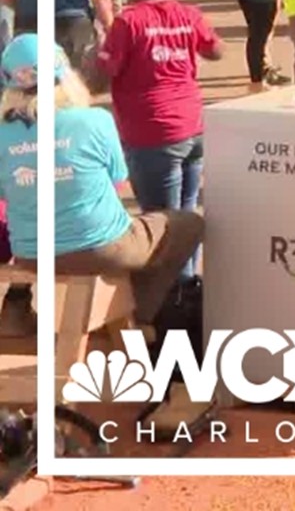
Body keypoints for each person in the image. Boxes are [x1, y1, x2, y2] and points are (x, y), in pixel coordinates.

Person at [0, 36, 204, 326]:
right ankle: (144, 312)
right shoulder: (94, 120)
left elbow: (5, 194)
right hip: (100, 249)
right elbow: (118, 181)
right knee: (188, 225)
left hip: (30, 254)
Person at [98, 0, 223, 233]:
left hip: (153, 134)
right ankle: (188, 278)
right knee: (187, 216)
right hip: (193, 129)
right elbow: (216, 50)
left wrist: (98, 48)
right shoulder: (188, 14)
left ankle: (176, 282)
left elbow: (105, 72)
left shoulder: (128, 22)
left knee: (161, 226)